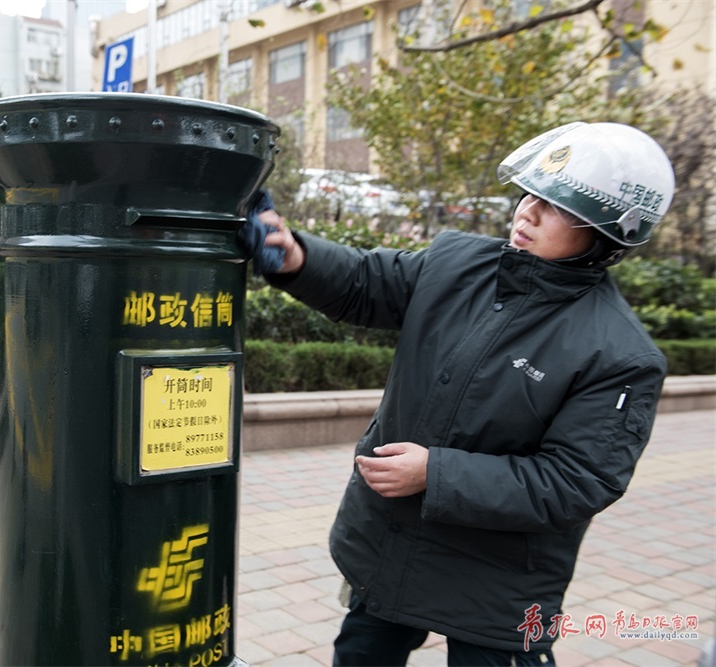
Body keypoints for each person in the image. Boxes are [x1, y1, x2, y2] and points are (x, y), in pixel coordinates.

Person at [253, 122, 676, 666]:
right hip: (390, 546)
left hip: (497, 586)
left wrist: (437, 473)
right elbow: (366, 281)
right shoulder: (457, 263)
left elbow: (578, 481)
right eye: (531, 194)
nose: (527, 212)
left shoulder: (620, 354)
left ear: (608, 235)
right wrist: (296, 258)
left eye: (558, 208)